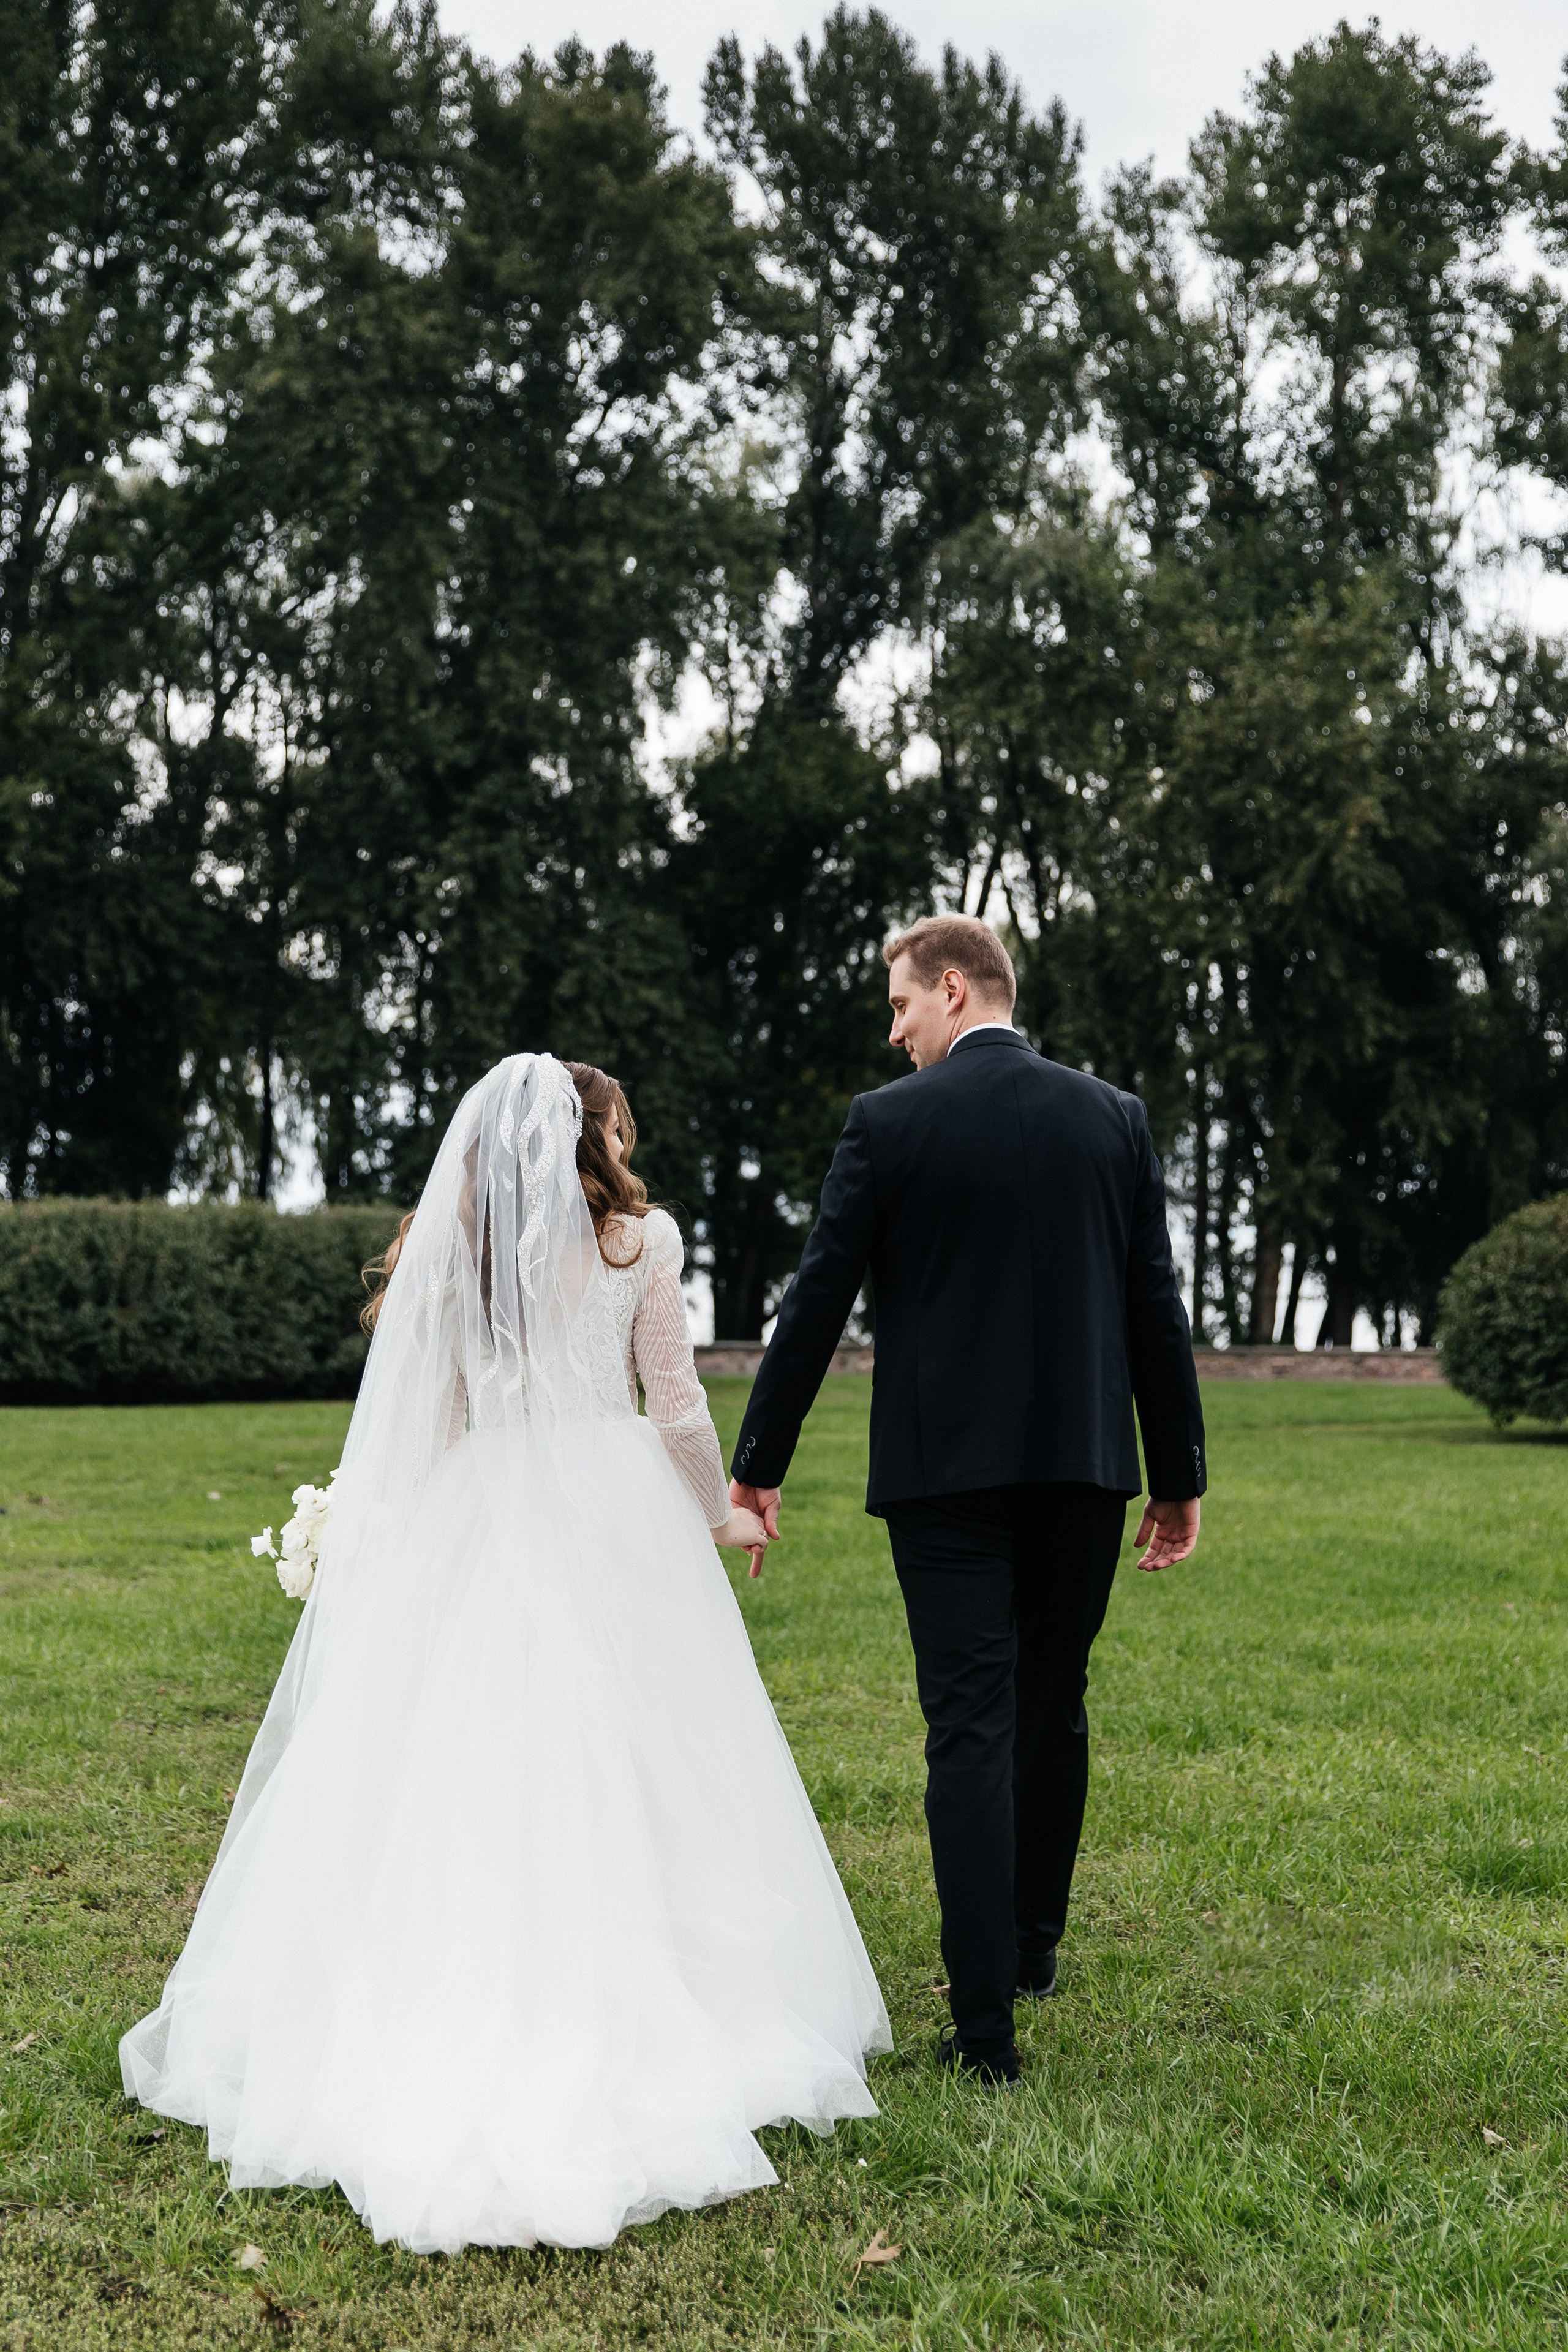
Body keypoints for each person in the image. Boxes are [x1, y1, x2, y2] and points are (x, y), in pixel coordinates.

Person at [120, 1054, 889, 2253]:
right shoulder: (642, 1241)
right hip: (609, 1502)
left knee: (465, 1757)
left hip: (482, 1507)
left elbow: (430, 1421)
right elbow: (677, 1407)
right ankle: (632, 1991)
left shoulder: (458, 1245)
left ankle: (447, 1986)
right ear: (599, 1133)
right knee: (640, 1751)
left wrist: (389, 1539)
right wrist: (718, 1508)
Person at [730, 914, 1206, 2086]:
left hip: (945, 1478)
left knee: (971, 1726)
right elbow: (1157, 1308)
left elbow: (815, 1307)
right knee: (1052, 1704)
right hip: (1087, 1469)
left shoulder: (888, 1126)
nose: (894, 1035)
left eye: (899, 1006)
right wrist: (1178, 1475)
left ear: (953, 988)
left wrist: (760, 1462)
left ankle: (985, 2029)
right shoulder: (1114, 1118)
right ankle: (1032, 1948)